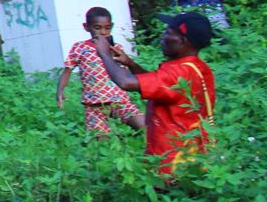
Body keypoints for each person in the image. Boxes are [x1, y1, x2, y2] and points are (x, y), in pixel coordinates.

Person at [91, 12, 217, 176]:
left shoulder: (178, 73)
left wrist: (104, 54)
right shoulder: (196, 67)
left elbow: (125, 82)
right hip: (192, 155)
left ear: (184, 41)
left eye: (168, 32)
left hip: (171, 161)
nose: (163, 37)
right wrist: (130, 63)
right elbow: (160, 87)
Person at [56, 6, 145, 137]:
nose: (103, 32)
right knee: (99, 140)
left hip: (119, 101)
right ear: (86, 27)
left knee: (144, 125)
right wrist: (60, 91)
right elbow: (67, 70)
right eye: (97, 28)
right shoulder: (80, 48)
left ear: (111, 26)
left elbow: (124, 74)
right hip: (94, 104)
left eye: (107, 28)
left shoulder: (116, 49)